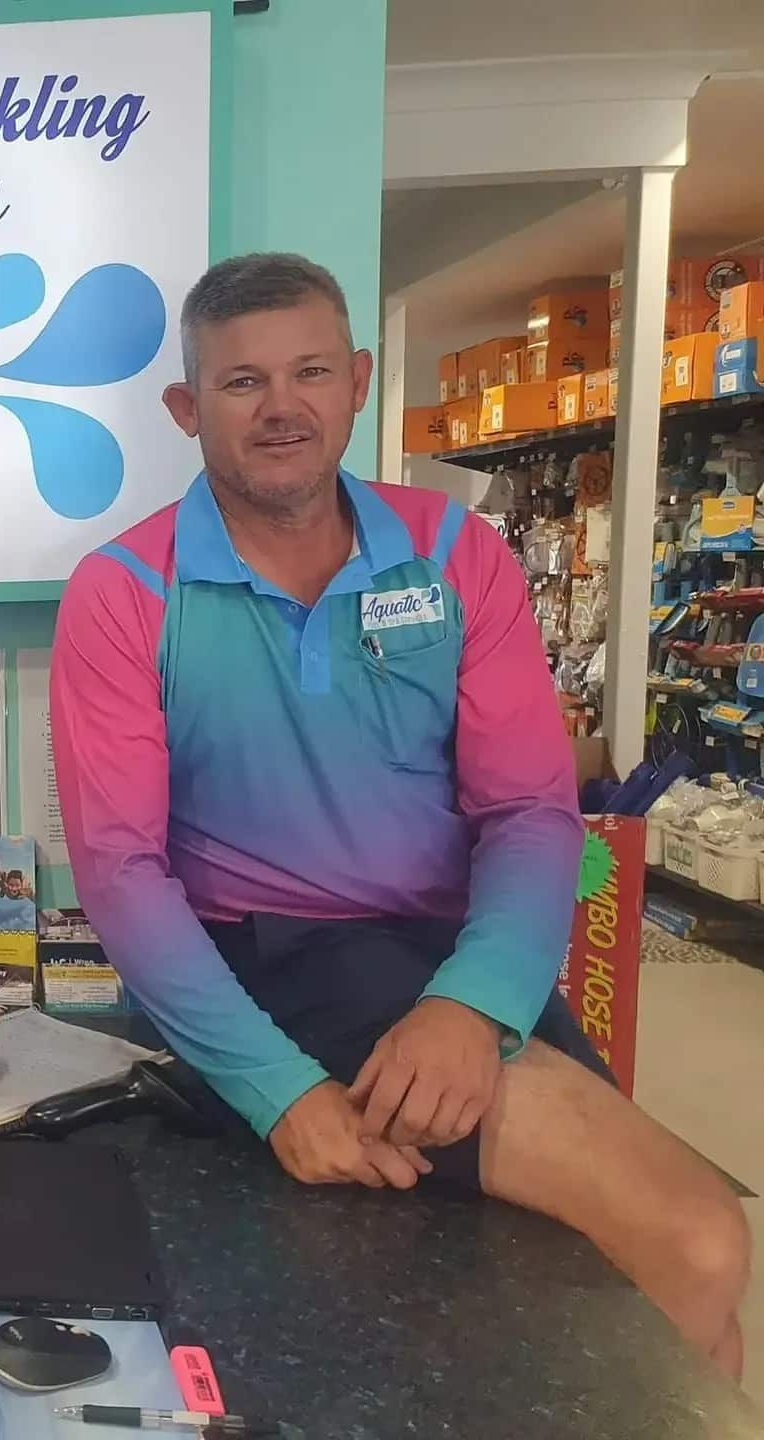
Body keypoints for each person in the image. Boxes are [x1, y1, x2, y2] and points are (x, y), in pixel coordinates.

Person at [52, 252, 750, 1377]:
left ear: (361, 381)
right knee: (698, 1238)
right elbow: (121, 871)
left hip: (452, 956)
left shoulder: (454, 551)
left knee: (656, 1289)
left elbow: (530, 812)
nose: (283, 407)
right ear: (187, 408)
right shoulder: (126, 591)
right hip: (272, 964)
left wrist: (473, 1004)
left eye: (311, 371)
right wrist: (278, 1090)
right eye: (242, 382)